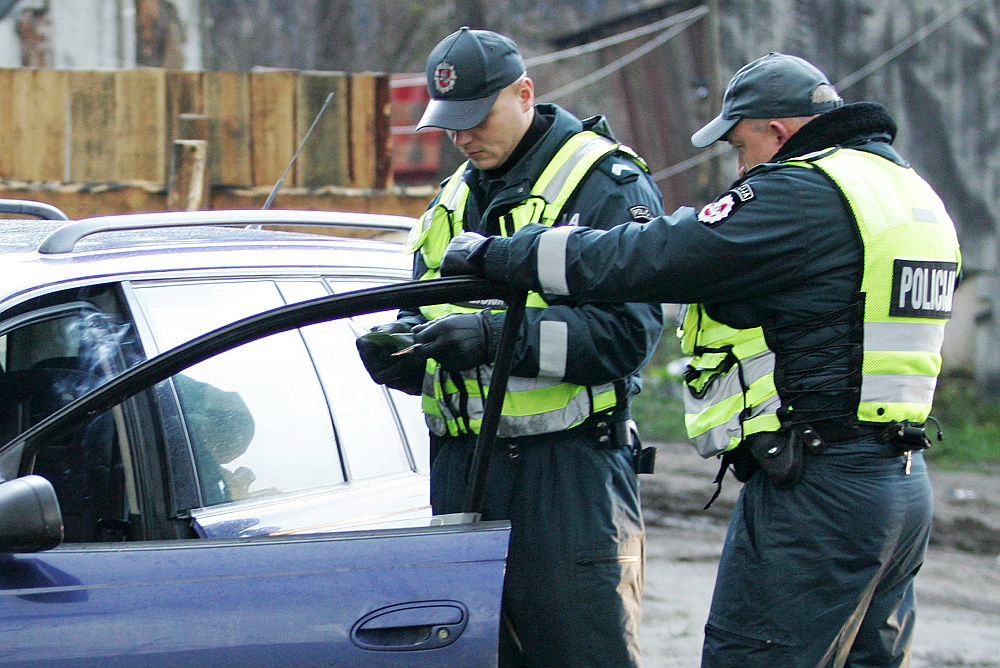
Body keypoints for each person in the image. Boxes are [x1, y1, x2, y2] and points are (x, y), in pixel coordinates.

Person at [441, 52, 962, 667]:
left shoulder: (804, 191)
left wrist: (507, 255)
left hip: (818, 489)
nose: (740, 169)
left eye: (742, 149)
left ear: (778, 132)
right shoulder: (906, 192)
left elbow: (658, 253)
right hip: (898, 484)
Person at [355, 27, 665, 667]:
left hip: (568, 475)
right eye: (450, 125)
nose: (463, 138)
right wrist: (408, 356)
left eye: (476, 118)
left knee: (580, 655)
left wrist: (499, 339)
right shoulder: (452, 200)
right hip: (464, 472)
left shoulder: (603, 182)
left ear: (524, 93)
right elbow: (423, 312)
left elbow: (628, 335)